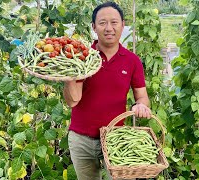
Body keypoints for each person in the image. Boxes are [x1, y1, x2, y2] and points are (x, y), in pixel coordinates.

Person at [63, 1, 151, 179]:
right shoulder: (83, 57)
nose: (109, 28)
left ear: (123, 25)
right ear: (94, 27)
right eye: (102, 23)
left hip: (116, 139)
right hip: (81, 139)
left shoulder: (132, 61)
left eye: (114, 22)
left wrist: (140, 106)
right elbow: (73, 100)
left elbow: (142, 97)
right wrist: (70, 73)